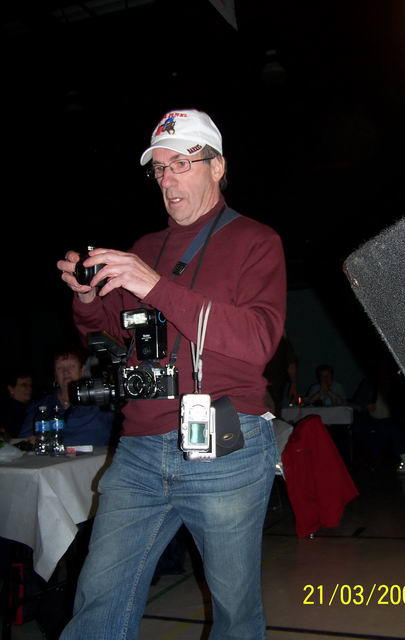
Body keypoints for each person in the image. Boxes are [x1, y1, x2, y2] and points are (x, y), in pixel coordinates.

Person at [57, 108, 286, 640]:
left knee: (234, 614)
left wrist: (155, 286)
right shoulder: (144, 249)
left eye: (181, 163)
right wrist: (87, 299)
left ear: (217, 167)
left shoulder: (255, 240)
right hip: (139, 446)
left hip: (226, 445)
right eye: (159, 167)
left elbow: (258, 341)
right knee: (97, 601)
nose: (167, 178)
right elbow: (112, 334)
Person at [18, 344, 115, 446]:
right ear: (55, 375)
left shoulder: (101, 403)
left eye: (72, 366)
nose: (66, 372)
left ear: (82, 370)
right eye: (60, 368)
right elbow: (22, 442)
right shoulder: (40, 407)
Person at [0, 369, 33, 439]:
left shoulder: (30, 407)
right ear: (11, 389)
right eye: (24, 385)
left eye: (30, 385)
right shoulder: (8, 410)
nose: (29, 388)